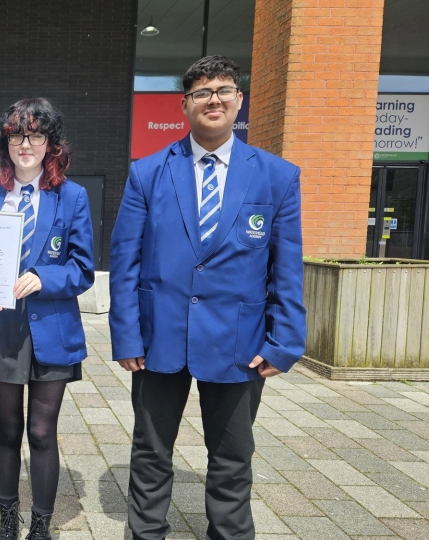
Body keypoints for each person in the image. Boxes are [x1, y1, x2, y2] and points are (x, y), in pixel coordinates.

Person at [109, 55, 306, 540]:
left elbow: (287, 267)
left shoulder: (277, 177)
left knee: (233, 458)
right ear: (184, 105)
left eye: (223, 90)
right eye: (201, 92)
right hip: (160, 341)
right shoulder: (148, 173)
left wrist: (285, 342)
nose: (213, 99)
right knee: (151, 453)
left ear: (239, 100)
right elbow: (125, 262)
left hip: (239, 343)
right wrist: (127, 335)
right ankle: (146, 533)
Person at [0, 98, 95, 540]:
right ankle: (7, 519)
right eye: (17, 135)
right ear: (5, 143)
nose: (26, 144)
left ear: (51, 143)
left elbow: (83, 268)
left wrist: (43, 277)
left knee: (40, 430)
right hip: (2, 329)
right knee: (8, 428)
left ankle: (40, 525)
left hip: (51, 327)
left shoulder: (72, 197)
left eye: (36, 135)